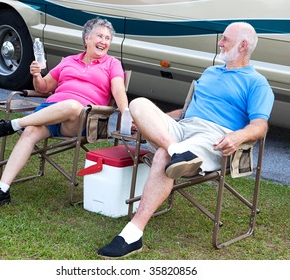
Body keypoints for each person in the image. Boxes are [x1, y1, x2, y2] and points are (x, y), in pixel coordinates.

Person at [97, 22, 274, 258]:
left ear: (242, 46)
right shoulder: (211, 72)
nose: (220, 43)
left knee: (163, 154)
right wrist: (151, 120)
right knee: (138, 104)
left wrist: (237, 136)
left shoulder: (257, 82)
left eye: (225, 40)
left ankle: (132, 234)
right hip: (181, 130)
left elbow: (260, 126)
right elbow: (185, 112)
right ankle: (176, 150)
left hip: (213, 136)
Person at [0, 18, 129, 208]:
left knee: (73, 106)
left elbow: (119, 91)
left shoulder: (112, 64)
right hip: (50, 112)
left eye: (108, 38)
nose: (104, 41)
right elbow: (44, 87)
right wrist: (36, 75)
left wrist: (127, 114)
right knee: (30, 132)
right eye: (100, 36)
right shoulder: (68, 61)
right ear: (87, 38)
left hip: (85, 120)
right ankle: (2, 190)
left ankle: (12, 125)